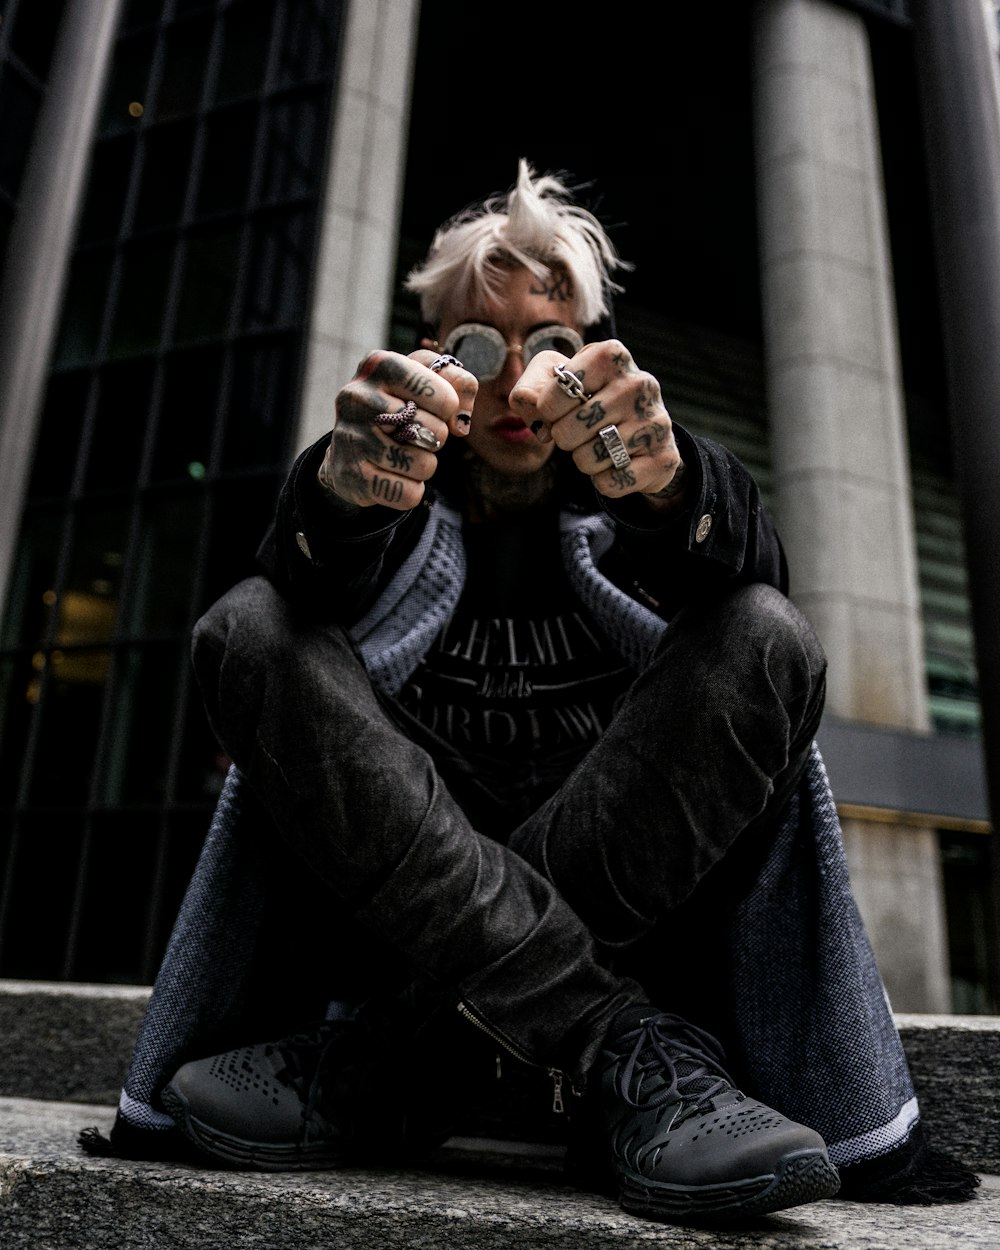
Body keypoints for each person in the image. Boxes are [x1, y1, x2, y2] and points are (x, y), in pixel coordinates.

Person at [87, 161, 978, 1225]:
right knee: (246, 628)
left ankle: (392, 1062)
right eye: (478, 342)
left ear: (597, 359)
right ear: (431, 355)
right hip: (406, 912)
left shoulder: (644, 497)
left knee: (763, 633)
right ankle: (615, 1043)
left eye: (548, 344)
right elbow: (305, 566)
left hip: (614, 909)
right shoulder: (382, 492)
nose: (515, 383)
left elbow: (741, 562)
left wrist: (674, 483)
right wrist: (335, 493)